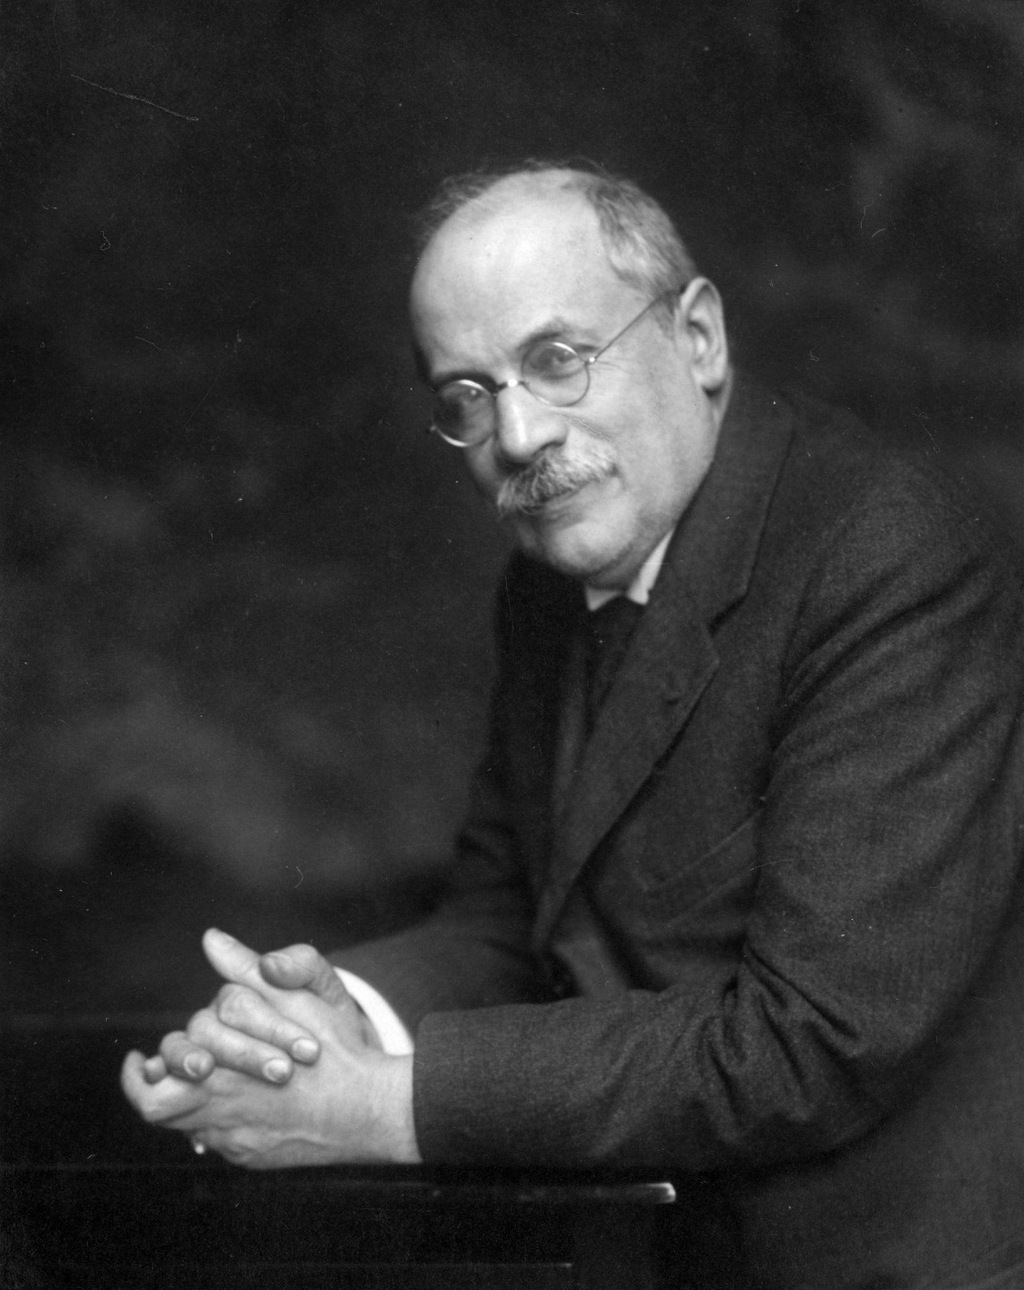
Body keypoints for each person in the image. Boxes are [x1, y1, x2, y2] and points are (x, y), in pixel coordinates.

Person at [122, 163, 1024, 1288]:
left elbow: (811, 1043)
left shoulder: (886, 556)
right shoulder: (549, 582)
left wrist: (380, 1103)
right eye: (467, 393)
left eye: (558, 359)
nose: (517, 434)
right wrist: (312, 1024)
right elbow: (511, 925)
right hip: (660, 1248)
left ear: (698, 338)